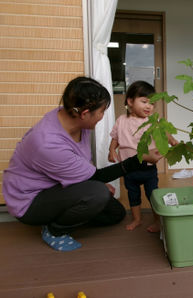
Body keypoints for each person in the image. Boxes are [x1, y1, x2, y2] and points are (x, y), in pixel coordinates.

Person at [2, 77, 162, 252]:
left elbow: (86, 167)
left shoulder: (75, 120)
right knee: (97, 194)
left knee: (116, 214)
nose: (102, 117)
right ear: (85, 113)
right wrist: (140, 159)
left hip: (58, 187)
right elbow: (96, 177)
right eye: (101, 112)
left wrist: (89, 182)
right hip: (31, 200)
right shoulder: (48, 143)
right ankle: (55, 230)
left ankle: (68, 211)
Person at [108, 81, 177, 233]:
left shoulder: (153, 121)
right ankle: (137, 219)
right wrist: (111, 151)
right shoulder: (121, 121)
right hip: (128, 168)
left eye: (152, 103)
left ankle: (157, 221)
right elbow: (115, 138)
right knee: (133, 195)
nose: (149, 106)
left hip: (148, 168)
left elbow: (165, 132)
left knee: (153, 194)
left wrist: (172, 141)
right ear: (130, 101)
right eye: (144, 102)